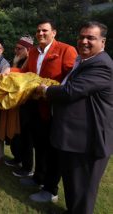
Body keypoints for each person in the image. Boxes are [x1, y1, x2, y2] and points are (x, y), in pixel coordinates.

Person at [37, 21, 113, 214]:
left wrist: (45, 90)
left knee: (83, 188)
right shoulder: (84, 61)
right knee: (73, 184)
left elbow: (71, 91)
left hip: (89, 139)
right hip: (76, 138)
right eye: (81, 37)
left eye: (91, 38)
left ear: (103, 42)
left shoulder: (102, 65)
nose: (84, 41)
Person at [18, 19, 78, 203]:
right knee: (39, 144)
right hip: (36, 106)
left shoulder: (66, 50)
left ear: (54, 33)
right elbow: (24, 73)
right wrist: (7, 71)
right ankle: (38, 177)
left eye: (44, 30)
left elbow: (71, 78)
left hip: (55, 109)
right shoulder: (34, 52)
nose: (40, 34)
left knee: (53, 149)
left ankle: (51, 189)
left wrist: (51, 90)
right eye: (38, 31)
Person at [4, 35, 34, 171]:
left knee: (25, 136)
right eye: (15, 48)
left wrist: (12, 71)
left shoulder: (30, 61)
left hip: (27, 104)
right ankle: (17, 158)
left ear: (28, 49)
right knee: (15, 133)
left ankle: (26, 166)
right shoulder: (16, 60)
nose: (16, 51)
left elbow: (25, 77)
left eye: (19, 48)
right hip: (15, 103)